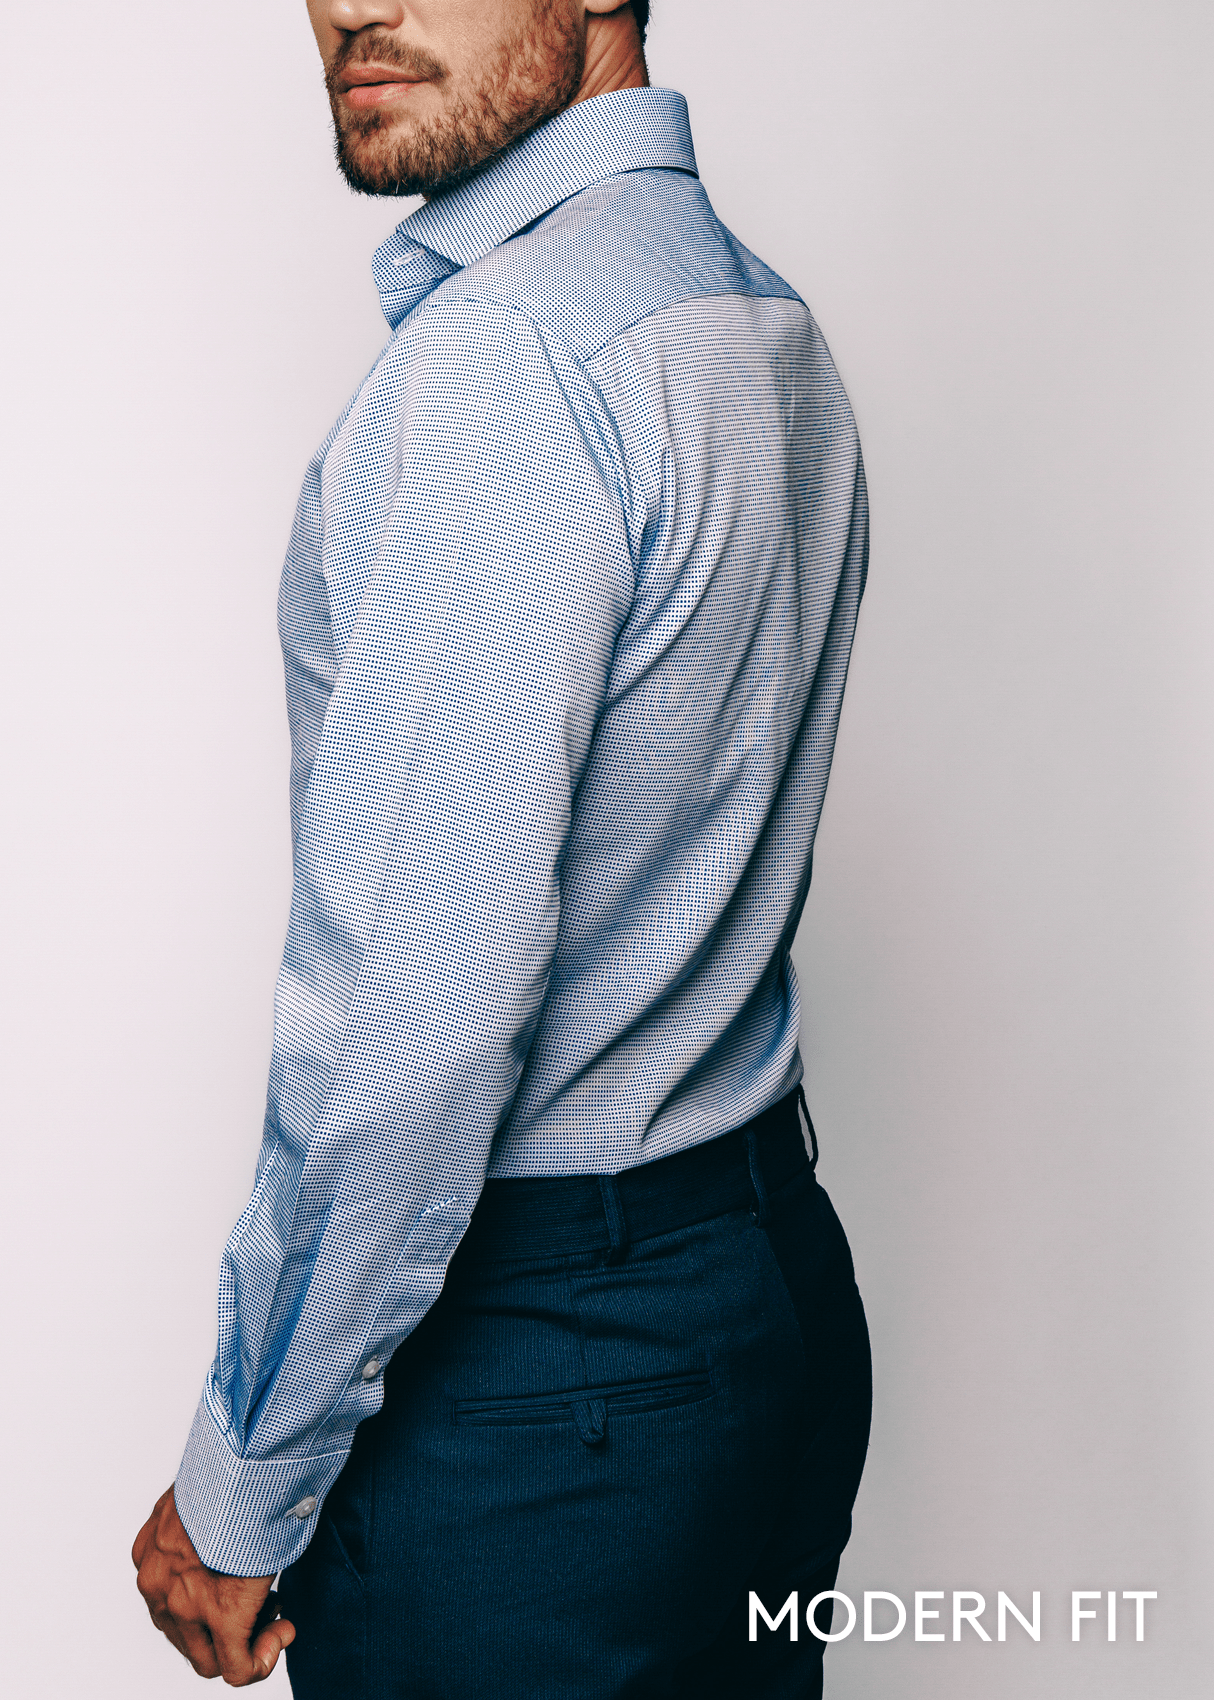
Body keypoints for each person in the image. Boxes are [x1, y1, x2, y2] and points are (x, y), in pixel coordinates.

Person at [132, 1, 872, 1693]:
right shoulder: (758, 320)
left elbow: (411, 1026)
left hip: (544, 1394)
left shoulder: (511, 356)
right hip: (762, 1297)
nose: (350, 7)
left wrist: (242, 1481)